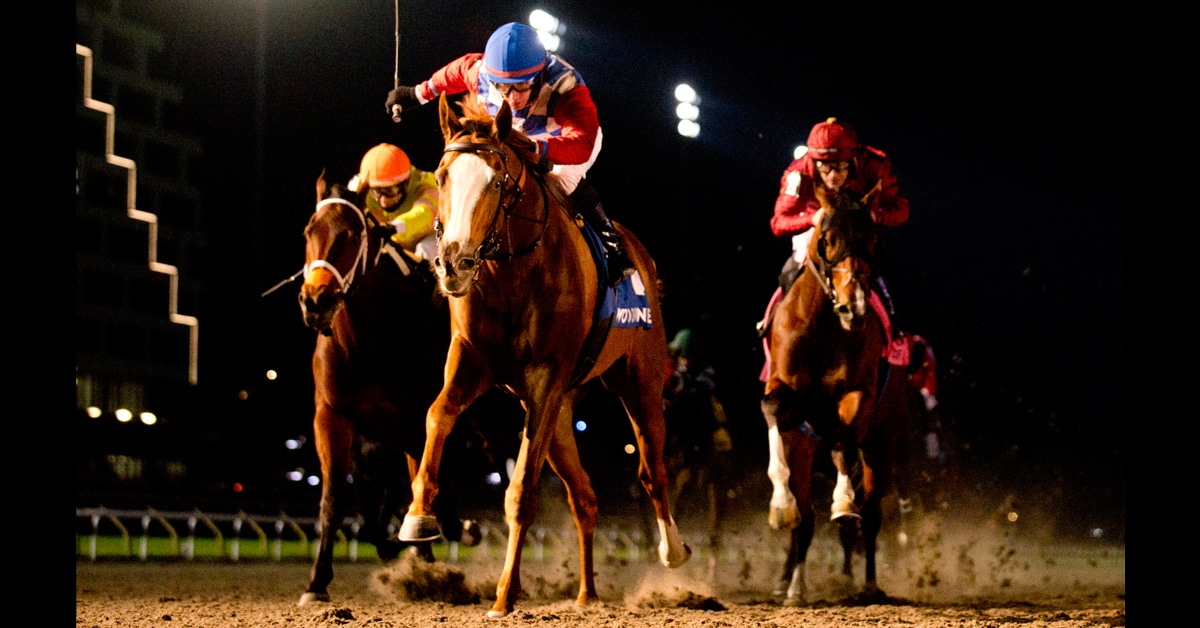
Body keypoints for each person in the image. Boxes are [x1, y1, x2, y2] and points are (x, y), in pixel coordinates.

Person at [384, 22, 632, 285]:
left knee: (562, 176)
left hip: (564, 138)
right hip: (511, 132)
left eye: (521, 86)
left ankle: (613, 245)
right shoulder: (479, 72)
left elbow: (583, 142)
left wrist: (538, 148)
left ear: (538, 75)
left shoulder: (564, 84)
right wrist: (416, 94)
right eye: (502, 87)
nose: (512, 97)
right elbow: (454, 72)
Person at [759, 117, 910, 334]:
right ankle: (771, 324)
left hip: (857, 227)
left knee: (873, 269)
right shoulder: (798, 171)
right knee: (794, 265)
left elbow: (901, 209)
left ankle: (892, 328)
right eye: (825, 168)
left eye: (840, 166)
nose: (832, 175)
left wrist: (877, 216)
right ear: (813, 162)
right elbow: (778, 222)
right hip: (816, 226)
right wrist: (812, 219)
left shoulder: (875, 164)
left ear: (852, 160)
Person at [349, 143, 440, 266]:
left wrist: (392, 228)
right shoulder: (358, 188)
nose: (383, 200)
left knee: (426, 250)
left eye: (389, 191)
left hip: (427, 239)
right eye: (376, 192)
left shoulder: (426, 183)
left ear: (406, 183)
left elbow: (425, 213)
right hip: (392, 243)